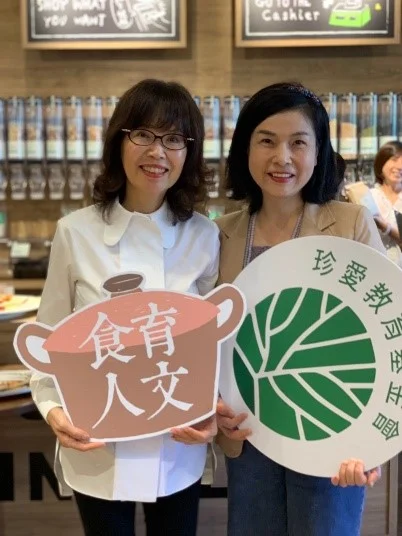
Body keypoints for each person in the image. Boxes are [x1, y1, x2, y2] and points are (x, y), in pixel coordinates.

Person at [30, 79, 220, 536]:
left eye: (174, 139)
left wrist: (214, 408)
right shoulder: (75, 232)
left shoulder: (204, 235)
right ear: (119, 140)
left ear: (189, 152)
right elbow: (48, 337)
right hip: (97, 441)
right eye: (143, 134)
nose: (157, 151)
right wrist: (53, 410)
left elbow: (217, 345)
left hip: (177, 440)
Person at [215, 82, 384, 536]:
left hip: (331, 433)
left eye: (298, 143)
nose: (282, 158)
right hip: (249, 435)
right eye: (267, 141)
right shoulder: (220, 233)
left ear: (318, 151)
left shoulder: (350, 223)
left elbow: (387, 328)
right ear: (245, 148)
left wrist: (375, 441)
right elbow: (209, 337)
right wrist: (213, 403)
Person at [370, 141, 402, 265]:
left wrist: (386, 227)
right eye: (395, 159)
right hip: (375, 266)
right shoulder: (369, 196)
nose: (399, 166)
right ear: (382, 162)